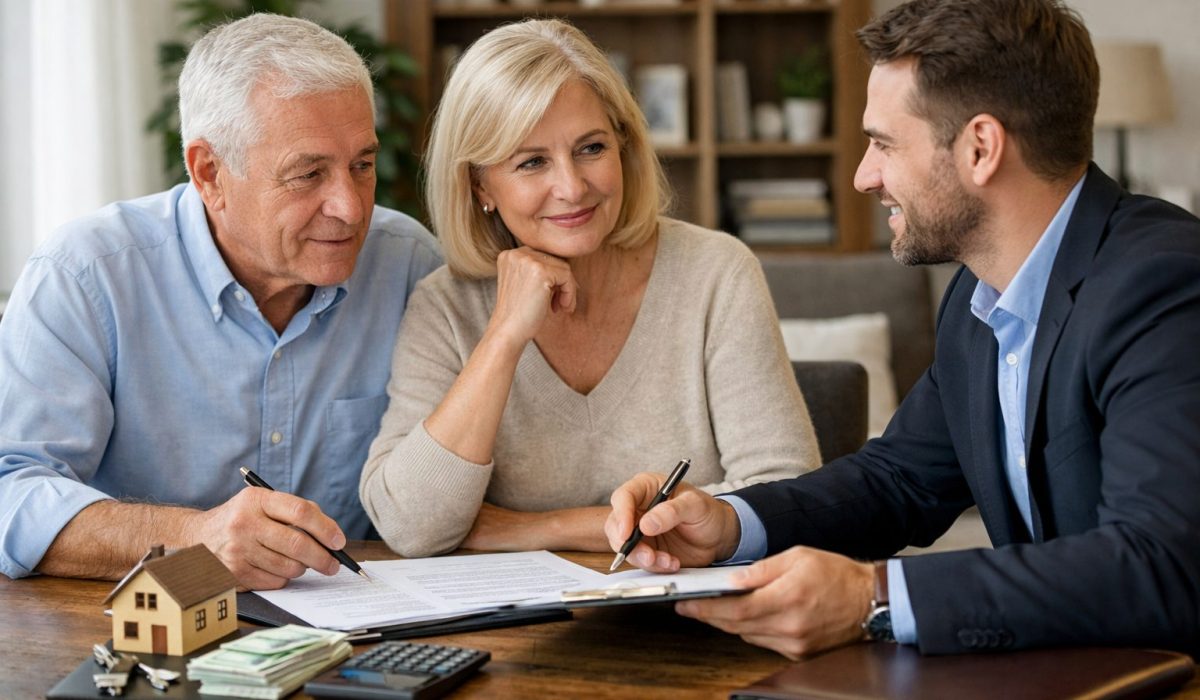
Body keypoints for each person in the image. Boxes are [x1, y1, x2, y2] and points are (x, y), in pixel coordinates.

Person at [606, 0, 1200, 659]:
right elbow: (900, 480)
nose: (864, 176)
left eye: (884, 143)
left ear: (980, 148)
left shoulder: (1164, 286)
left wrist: (873, 597)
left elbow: (1161, 565)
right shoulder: (979, 294)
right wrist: (730, 524)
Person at [0, 14, 442, 589]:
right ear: (209, 173)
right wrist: (194, 539)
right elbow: (11, 491)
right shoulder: (87, 275)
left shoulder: (409, 265)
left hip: (364, 629)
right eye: (309, 174)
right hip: (139, 635)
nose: (352, 208)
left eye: (362, 165)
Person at [359, 19, 819, 558]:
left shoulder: (716, 272)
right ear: (479, 184)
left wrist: (528, 528)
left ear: (623, 145)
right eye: (531, 161)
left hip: (702, 620)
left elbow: (786, 496)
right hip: (522, 636)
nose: (573, 187)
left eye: (591, 148)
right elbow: (411, 527)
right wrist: (504, 338)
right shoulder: (444, 305)